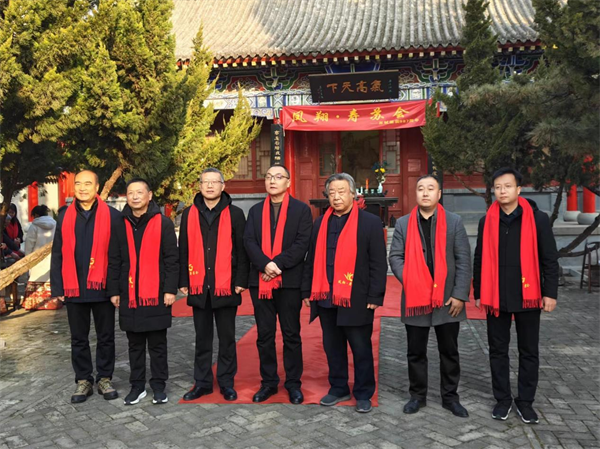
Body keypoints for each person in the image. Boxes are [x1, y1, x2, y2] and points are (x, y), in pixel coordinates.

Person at [473, 167, 559, 424]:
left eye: (507, 186)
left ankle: (525, 401)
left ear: (519, 189)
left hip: (528, 294)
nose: (502, 191)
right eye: (498, 187)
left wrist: (550, 293)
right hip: (495, 295)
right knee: (497, 350)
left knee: (528, 350)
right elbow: (479, 258)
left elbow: (549, 258)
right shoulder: (487, 220)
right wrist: (478, 291)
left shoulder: (538, 219)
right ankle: (502, 399)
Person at [302, 173, 387, 413]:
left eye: (341, 192)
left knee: (360, 347)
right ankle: (338, 387)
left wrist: (375, 296)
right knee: (333, 347)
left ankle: (363, 392)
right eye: (332, 193)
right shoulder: (320, 223)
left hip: (356, 297)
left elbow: (378, 262)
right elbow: (311, 259)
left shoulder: (369, 222)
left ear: (353, 194)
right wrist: (307, 290)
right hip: (326, 296)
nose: (336, 197)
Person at [389, 175, 471, 418]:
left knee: (449, 352)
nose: (425, 193)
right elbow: (395, 257)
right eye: (420, 189)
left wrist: (459, 294)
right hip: (415, 299)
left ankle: (450, 397)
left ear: (439, 194)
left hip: (447, 299)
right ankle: (417, 396)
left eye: (430, 188)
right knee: (415, 352)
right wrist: (411, 279)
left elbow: (463, 260)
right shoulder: (403, 223)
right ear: (415, 193)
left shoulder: (454, 222)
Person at [50, 170, 122, 404]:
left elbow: (118, 256)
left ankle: (104, 378)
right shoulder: (64, 216)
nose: (82, 188)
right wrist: (58, 287)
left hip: (103, 287)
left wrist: (116, 288)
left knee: (106, 336)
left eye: (88, 183)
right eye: (78, 183)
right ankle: (83, 380)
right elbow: (58, 253)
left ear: (97, 187)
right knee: (78, 338)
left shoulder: (112, 216)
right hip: (74, 287)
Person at [179, 168, 249, 402]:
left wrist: (241, 280)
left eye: (214, 182)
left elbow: (242, 250)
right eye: (205, 182)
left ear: (222, 185)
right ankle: (202, 383)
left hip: (226, 285)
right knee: (202, 338)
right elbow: (183, 249)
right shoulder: (189, 214)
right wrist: (183, 279)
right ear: (199, 186)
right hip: (199, 285)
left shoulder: (235, 214)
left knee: (227, 338)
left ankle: (227, 382)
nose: (209, 186)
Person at [244, 165, 312, 404]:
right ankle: (269, 382)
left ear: (288, 182)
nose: (273, 181)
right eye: (269, 177)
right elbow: (249, 241)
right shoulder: (255, 211)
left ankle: (293, 383)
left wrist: (276, 265)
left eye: (278, 177)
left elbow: (302, 243)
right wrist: (265, 264)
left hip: (289, 282)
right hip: (260, 281)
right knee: (264, 335)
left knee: (291, 334)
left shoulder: (301, 210)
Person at [108, 178, 179, 405]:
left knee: (158, 345)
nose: (135, 196)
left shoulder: (163, 223)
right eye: (131, 193)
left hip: (156, 292)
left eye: (140, 192)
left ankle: (158, 386)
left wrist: (170, 289)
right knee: (135, 344)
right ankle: (137, 386)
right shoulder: (119, 224)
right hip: (129, 293)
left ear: (149, 196)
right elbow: (114, 259)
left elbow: (171, 259)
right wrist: (114, 290)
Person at [23, 205, 59, 310]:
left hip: (37, 258)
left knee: (36, 277)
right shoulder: (55, 224)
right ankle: (53, 303)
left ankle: (34, 303)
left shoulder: (34, 226)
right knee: (50, 278)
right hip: (52, 257)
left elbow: (29, 244)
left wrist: (27, 258)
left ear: (36, 215)